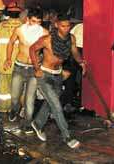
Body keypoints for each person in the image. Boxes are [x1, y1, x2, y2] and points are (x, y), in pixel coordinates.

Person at [29, 14, 87, 150]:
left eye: (68, 26)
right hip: (44, 75)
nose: (66, 28)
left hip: (58, 75)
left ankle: (37, 124)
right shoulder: (47, 40)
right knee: (56, 106)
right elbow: (32, 49)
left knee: (50, 104)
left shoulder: (71, 38)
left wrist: (81, 62)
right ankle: (67, 136)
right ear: (56, 25)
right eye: (63, 26)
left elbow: (74, 52)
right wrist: (36, 68)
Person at [5, 8, 48, 133]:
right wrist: (8, 58)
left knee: (30, 100)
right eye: (33, 21)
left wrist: (42, 63)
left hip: (34, 69)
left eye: (39, 22)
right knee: (14, 97)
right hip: (19, 67)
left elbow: (47, 50)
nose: (36, 25)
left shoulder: (44, 33)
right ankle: (14, 109)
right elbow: (10, 43)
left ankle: (27, 123)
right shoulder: (19, 30)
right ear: (28, 19)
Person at [0, 3, 22, 112]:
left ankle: (4, 109)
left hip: (3, 63)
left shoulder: (0, 26)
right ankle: (15, 110)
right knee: (18, 88)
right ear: (19, 14)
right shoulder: (23, 26)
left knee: (4, 88)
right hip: (18, 64)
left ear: (8, 14)